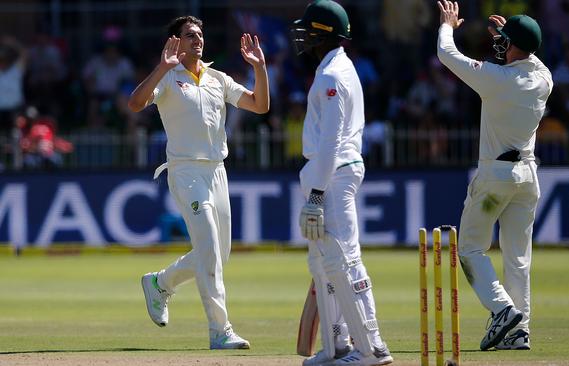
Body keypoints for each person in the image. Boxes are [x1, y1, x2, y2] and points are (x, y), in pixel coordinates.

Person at [127, 15, 269, 349]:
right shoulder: (168, 78)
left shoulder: (218, 78)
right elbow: (134, 103)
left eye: (200, 34)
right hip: (185, 171)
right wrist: (162, 67)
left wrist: (259, 68)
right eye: (190, 35)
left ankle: (160, 283)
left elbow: (260, 105)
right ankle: (221, 331)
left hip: (217, 170)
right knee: (208, 248)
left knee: (218, 254)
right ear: (174, 41)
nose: (198, 39)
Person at [436, 1, 553, 351]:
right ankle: (520, 332)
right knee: (518, 258)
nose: (498, 45)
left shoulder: (496, 79)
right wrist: (510, 33)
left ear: (514, 45)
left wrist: (447, 25)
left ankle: (502, 310)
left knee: (470, 247)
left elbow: (446, 53)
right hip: (528, 175)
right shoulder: (544, 78)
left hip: (495, 175)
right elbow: (529, 51)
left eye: (504, 41)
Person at [291, 1, 393, 365]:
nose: (301, 36)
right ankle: (338, 348)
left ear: (322, 34)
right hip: (326, 173)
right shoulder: (332, 68)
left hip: (334, 174)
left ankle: (373, 349)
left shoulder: (333, 75)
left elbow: (332, 140)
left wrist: (316, 195)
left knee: (345, 260)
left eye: (307, 29)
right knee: (323, 264)